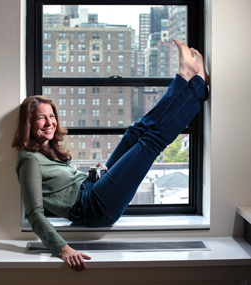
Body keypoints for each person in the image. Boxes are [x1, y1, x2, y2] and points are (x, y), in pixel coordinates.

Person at [12, 39, 209, 271]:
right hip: (93, 207)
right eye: (40, 118)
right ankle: (198, 86)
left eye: (51, 116)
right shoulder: (28, 160)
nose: (49, 123)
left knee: (134, 133)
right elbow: (35, 213)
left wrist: (94, 174)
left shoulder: (47, 150)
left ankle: (185, 77)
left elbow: (64, 187)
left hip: (92, 187)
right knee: (150, 142)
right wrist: (62, 248)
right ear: (29, 124)